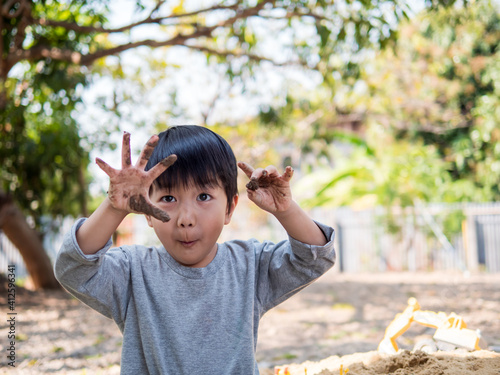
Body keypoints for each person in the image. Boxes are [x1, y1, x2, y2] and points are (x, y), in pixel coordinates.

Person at [54, 125, 336, 375]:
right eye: (168, 198)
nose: (186, 218)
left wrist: (287, 211)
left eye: (203, 196)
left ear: (229, 208)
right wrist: (114, 207)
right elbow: (74, 269)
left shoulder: (250, 266)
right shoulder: (132, 272)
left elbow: (314, 258)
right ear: (147, 213)